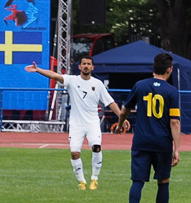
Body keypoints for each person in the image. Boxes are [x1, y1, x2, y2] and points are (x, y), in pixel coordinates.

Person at [25, 56, 123, 190]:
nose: (86, 66)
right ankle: (82, 181)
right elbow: (55, 75)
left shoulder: (98, 84)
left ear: (92, 67)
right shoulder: (72, 80)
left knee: (96, 147)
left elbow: (110, 102)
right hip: (76, 124)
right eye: (84, 64)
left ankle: (94, 178)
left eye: (89, 64)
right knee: (75, 153)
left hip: (92, 123)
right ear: (80, 66)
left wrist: (121, 117)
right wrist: (38, 70)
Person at [117, 52, 181, 203]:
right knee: (163, 181)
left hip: (141, 141)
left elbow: (124, 110)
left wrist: (120, 125)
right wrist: (177, 149)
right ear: (169, 70)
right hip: (162, 143)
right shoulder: (172, 91)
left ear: (153, 68)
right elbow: (174, 122)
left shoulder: (140, 85)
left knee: (137, 181)